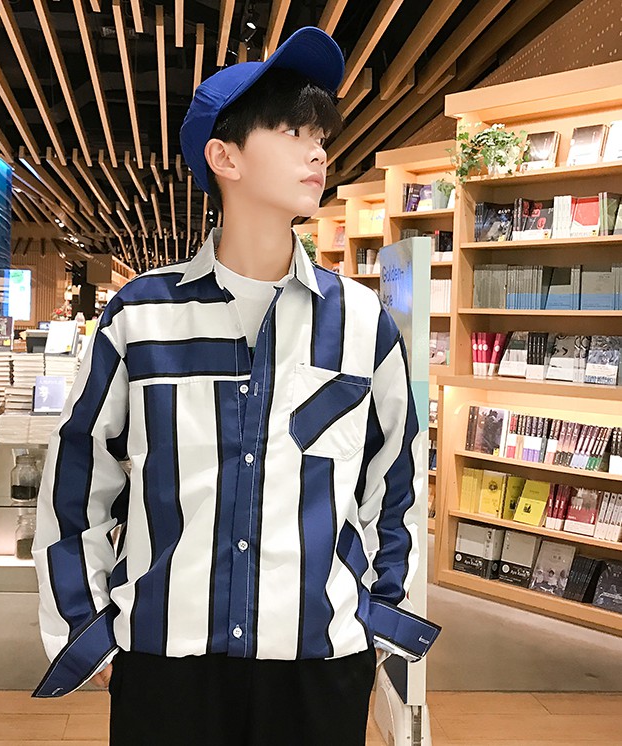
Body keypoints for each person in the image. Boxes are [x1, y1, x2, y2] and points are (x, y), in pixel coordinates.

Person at [32, 26, 420, 746]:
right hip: (166, 666)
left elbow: (393, 488)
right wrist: (86, 630)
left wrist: (379, 622)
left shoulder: (363, 322)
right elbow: (76, 480)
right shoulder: (142, 317)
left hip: (318, 666)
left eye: (320, 135)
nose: (317, 151)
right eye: (292, 130)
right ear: (224, 156)